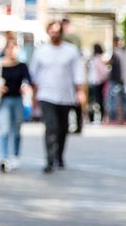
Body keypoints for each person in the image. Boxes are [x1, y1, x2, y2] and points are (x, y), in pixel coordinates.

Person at [30, 19, 86, 172]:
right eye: (52, 31)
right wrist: (34, 95)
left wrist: (80, 91)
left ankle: (59, 156)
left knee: (63, 127)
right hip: (46, 95)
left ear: (61, 33)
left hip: (66, 95)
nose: (54, 34)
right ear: (48, 32)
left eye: (57, 31)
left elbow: (78, 73)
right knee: (50, 126)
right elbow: (34, 75)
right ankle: (49, 159)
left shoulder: (71, 50)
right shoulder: (41, 51)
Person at [0, 36, 31, 170]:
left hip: (17, 99)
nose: (11, 50)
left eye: (14, 48)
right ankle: (4, 157)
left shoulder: (22, 66)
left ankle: (15, 156)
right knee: (4, 129)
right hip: (3, 100)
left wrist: (25, 86)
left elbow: (28, 80)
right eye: (9, 47)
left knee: (16, 130)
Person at [61, 18, 84, 134]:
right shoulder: (73, 38)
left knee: (74, 103)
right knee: (71, 103)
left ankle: (77, 125)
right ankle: (74, 125)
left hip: (70, 75)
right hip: (66, 76)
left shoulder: (71, 39)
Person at [87, 42, 109, 124]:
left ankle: (93, 117)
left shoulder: (95, 59)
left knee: (94, 101)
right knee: (98, 100)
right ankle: (97, 117)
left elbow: (102, 72)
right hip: (97, 82)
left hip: (95, 82)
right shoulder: (99, 59)